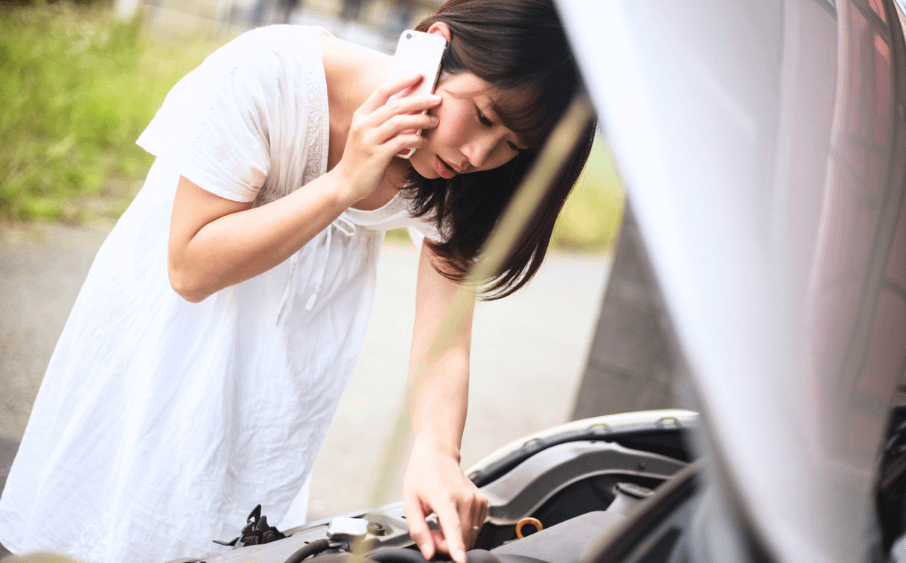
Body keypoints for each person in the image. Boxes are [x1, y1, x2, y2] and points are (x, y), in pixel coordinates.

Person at [0, 1, 595, 562]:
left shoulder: (452, 173)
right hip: (168, 341)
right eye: (486, 115)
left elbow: (445, 337)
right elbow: (189, 267)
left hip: (281, 370)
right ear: (435, 48)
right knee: (120, 511)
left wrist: (438, 453)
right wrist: (342, 185)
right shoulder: (269, 75)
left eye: (512, 145)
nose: (478, 153)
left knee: (236, 532)